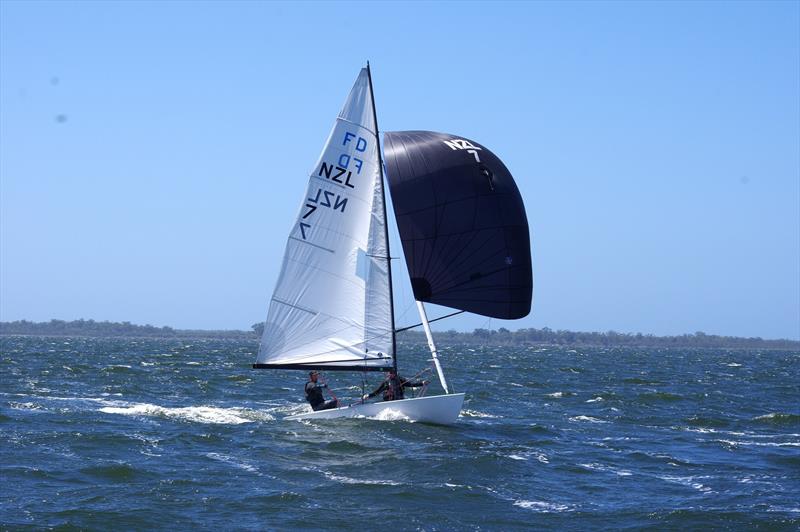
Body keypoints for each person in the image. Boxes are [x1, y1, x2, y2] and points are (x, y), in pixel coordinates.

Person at [362, 369, 428, 402]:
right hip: (388, 402)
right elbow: (377, 392)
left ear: (395, 373)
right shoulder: (386, 382)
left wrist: (422, 383)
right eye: (389, 373)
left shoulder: (400, 380)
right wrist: (368, 396)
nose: (390, 374)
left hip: (399, 401)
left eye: (392, 373)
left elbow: (410, 384)